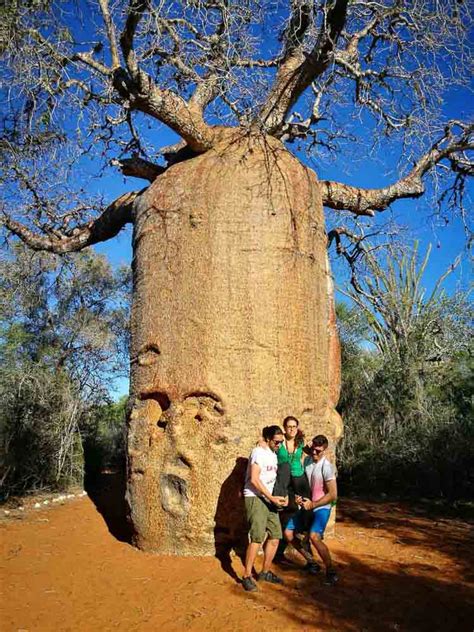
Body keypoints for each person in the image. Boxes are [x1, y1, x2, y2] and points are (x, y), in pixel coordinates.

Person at [286, 434, 339, 585]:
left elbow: (333, 494)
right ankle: (311, 562)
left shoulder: (327, 467)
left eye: (318, 451)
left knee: (315, 536)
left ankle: (330, 571)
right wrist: (299, 498)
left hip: (321, 507)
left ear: (324, 450)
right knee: (288, 533)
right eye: (313, 450)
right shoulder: (308, 460)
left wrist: (314, 505)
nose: (314, 453)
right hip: (306, 505)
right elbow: (304, 485)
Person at [241, 425, 288, 592]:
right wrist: (271, 498)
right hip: (255, 497)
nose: (279, 445)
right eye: (276, 442)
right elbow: (254, 479)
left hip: (269, 499)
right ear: (268, 439)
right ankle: (247, 575)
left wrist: (280, 497)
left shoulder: (273, 455)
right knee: (257, 537)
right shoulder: (258, 452)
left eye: (281, 442)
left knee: (275, 536)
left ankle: (265, 572)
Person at [273, 417, 317, 572]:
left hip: (300, 479)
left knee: (305, 511)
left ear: (297, 428)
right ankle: (280, 548)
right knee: (286, 512)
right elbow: (268, 448)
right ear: (285, 428)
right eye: (289, 426)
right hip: (285, 481)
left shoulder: (300, 442)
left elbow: (312, 452)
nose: (291, 429)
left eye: (294, 426)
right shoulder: (279, 442)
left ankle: (308, 549)